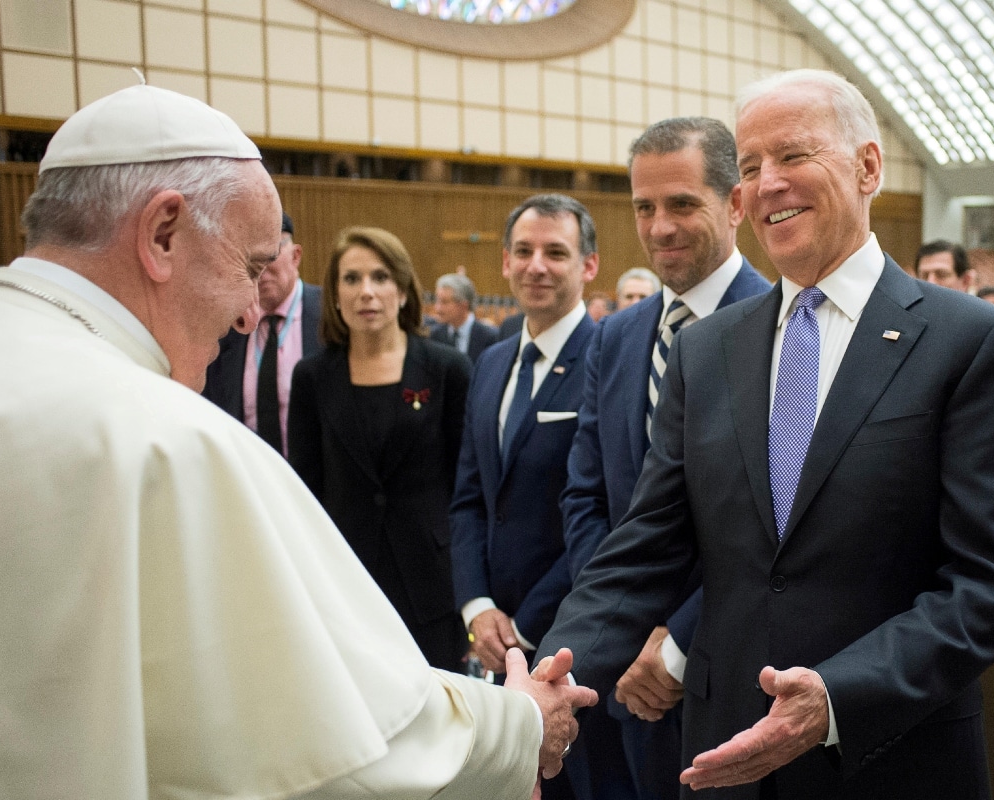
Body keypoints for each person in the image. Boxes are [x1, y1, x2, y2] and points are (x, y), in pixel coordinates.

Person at [0, 84, 596, 799]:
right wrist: (519, 727)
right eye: (249, 267)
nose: (251, 314)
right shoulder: (165, 441)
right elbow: (338, 748)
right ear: (161, 235)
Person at [536, 69, 994, 799]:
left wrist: (834, 697)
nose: (765, 184)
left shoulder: (970, 343)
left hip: (889, 756)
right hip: (722, 755)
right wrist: (552, 675)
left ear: (868, 167)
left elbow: (987, 586)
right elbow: (647, 545)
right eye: (748, 167)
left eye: (793, 156)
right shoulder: (706, 352)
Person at [560, 116, 771, 800]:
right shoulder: (617, 336)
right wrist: (624, 627)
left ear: (735, 203)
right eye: (644, 208)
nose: (659, 228)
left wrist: (677, 638)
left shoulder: (784, 328)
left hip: (736, 668)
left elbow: (781, 522)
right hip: (626, 674)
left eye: (682, 204)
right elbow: (587, 497)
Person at [451, 194, 632, 800]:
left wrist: (526, 629)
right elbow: (472, 497)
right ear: (503, 262)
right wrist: (477, 607)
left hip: (568, 635)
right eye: (524, 252)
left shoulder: (610, 361)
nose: (537, 266)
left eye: (556, 252)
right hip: (491, 635)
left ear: (588, 266)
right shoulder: (493, 361)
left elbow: (603, 513)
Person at [288, 227, 472, 672]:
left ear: (405, 290)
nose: (366, 292)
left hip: (431, 582)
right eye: (351, 279)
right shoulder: (312, 378)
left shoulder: (447, 370)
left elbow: (465, 488)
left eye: (380, 277)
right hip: (346, 582)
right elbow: (305, 492)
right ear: (334, 294)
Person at [202, 210, 322, 456]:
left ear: (295, 255)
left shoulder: (331, 318)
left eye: (270, 254)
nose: (261, 269)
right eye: (249, 258)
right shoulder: (226, 326)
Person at [429, 272, 499, 363]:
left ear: (463, 305)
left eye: (444, 302)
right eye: (437, 301)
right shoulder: (433, 336)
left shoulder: (490, 337)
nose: (437, 308)